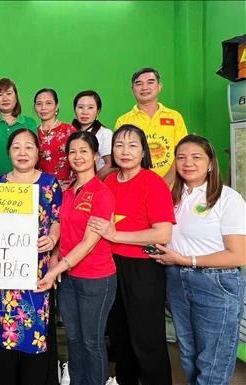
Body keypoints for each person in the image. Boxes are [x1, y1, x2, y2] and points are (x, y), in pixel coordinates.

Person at [149, 135, 246, 385]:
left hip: (216, 284)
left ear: (211, 163)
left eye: (196, 157)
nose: (188, 163)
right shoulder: (173, 197)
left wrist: (185, 259)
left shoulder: (227, 198)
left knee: (212, 362)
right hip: (177, 282)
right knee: (190, 357)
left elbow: (238, 254)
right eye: (181, 157)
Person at [88, 124, 174, 385]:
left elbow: (162, 234)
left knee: (146, 338)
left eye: (132, 145)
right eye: (119, 145)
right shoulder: (109, 181)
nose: (125, 151)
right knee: (120, 338)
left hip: (143, 269)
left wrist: (117, 236)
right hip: (111, 267)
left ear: (143, 151)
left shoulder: (153, 182)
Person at [0, 128, 61, 385]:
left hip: (37, 272)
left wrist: (53, 239)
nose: (22, 152)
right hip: (3, 274)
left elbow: (57, 219)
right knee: (3, 330)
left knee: (35, 329)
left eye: (28, 147)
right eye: (16, 147)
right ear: (8, 152)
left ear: (38, 152)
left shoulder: (50, 184)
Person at [37, 131, 117, 385]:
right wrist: (55, 258)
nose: (78, 156)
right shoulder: (69, 191)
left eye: (84, 151)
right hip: (69, 279)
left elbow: (87, 243)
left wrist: (54, 269)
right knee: (73, 339)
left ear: (95, 156)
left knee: (92, 342)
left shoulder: (102, 193)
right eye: (73, 151)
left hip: (96, 278)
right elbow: (65, 232)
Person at [114, 67, 188, 185]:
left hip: (172, 187)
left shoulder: (174, 117)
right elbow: (122, 157)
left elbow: (183, 152)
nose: (144, 88)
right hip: (138, 188)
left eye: (150, 82)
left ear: (159, 86)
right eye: (139, 84)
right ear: (132, 89)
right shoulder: (123, 121)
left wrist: (165, 183)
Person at [0, 78, 37, 175]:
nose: (5, 98)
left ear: (16, 98)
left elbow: (33, 154)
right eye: (0, 95)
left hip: (25, 180)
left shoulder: (29, 123)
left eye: (9, 94)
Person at [34, 88, 76, 188]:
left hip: (64, 188)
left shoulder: (69, 130)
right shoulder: (33, 133)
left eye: (48, 103)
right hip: (39, 188)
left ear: (56, 106)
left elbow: (77, 159)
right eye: (39, 104)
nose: (43, 108)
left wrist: (73, 184)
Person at [71, 90, 114, 179]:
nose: (85, 112)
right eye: (80, 107)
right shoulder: (70, 132)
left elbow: (111, 165)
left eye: (90, 107)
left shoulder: (105, 134)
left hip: (95, 186)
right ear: (75, 109)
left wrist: (90, 183)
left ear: (98, 111)